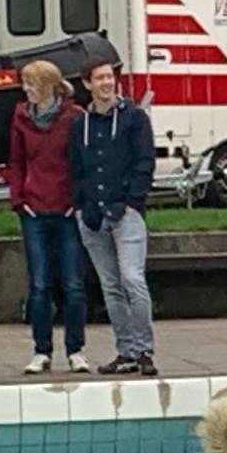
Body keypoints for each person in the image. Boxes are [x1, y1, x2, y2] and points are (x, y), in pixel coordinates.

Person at [70, 56, 156, 376]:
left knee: (132, 278)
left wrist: (133, 201)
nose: (107, 83)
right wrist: (81, 205)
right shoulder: (81, 125)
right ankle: (126, 350)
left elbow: (144, 160)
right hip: (92, 214)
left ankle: (144, 348)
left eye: (110, 77)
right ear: (88, 84)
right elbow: (76, 168)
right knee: (110, 285)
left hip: (126, 210)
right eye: (100, 78)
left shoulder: (134, 119)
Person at [5, 59, 88, 374]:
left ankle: (76, 349)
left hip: (66, 209)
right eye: (25, 84)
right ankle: (42, 350)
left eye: (32, 84)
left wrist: (76, 200)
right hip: (34, 210)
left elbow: (81, 163)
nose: (26, 90)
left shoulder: (74, 118)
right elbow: (16, 160)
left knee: (73, 283)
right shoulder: (21, 116)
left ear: (49, 86)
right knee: (39, 284)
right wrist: (19, 198)